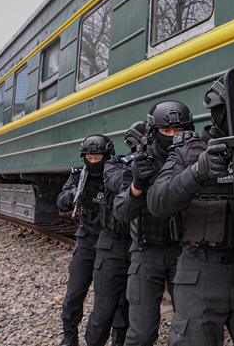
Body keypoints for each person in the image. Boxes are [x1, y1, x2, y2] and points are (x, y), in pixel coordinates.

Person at [147, 78, 234, 346]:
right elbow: (157, 202)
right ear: (218, 111)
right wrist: (197, 172)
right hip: (201, 271)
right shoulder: (188, 152)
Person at [112, 101, 194, 346]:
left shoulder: (196, 158)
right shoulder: (141, 162)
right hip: (146, 251)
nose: (172, 136)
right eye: (165, 131)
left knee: (189, 330)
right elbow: (122, 213)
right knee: (141, 331)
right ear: (153, 132)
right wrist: (137, 184)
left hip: (185, 251)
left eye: (178, 131)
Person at [85, 122, 148, 346]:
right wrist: (140, 175)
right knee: (103, 310)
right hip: (112, 244)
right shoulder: (116, 164)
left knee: (128, 311)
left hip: (139, 245)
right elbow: (116, 182)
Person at [57, 134, 115, 346]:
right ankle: (69, 334)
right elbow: (61, 202)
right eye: (89, 158)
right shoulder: (78, 175)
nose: (93, 163)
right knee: (75, 290)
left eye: (97, 158)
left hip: (113, 241)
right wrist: (71, 196)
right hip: (87, 237)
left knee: (111, 297)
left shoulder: (118, 173)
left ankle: (117, 337)